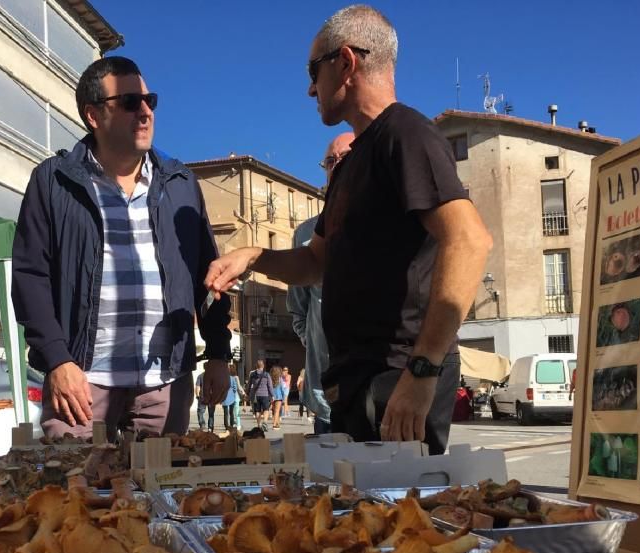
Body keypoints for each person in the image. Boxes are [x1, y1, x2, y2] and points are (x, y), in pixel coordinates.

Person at [205, 5, 492, 454]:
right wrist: (254, 256)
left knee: (399, 519)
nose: (309, 88)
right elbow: (314, 261)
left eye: (313, 70)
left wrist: (421, 372)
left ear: (346, 62)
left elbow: (470, 240)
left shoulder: (405, 134)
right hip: (356, 381)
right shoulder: (350, 166)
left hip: (397, 375)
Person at [12, 57, 231, 441]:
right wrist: (57, 360)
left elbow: (207, 276)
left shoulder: (180, 183)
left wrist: (217, 353)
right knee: (71, 496)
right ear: (93, 115)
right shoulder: (52, 181)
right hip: (80, 384)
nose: (145, 112)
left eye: (150, 101)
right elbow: (31, 278)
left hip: (163, 384)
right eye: (130, 102)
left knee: (162, 492)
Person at [287, 132, 355, 434]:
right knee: (328, 480)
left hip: (384, 391)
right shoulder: (304, 234)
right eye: (331, 161)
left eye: (347, 158)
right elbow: (298, 310)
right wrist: (316, 343)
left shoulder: (391, 221)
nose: (337, 165)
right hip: (327, 397)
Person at [246, 359, 274, 430]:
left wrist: (247, 394)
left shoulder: (252, 374)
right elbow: (270, 386)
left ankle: (259, 425)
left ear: (256, 366)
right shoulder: (266, 374)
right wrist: (272, 395)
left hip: (256, 396)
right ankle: (264, 422)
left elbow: (249, 385)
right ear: (263, 366)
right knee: (266, 409)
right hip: (265, 395)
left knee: (257, 411)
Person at [222, 364, 246, 432]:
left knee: (226, 413)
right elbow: (238, 387)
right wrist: (243, 393)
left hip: (226, 398)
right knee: (234, 412)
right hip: (234, 396)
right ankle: (237, 425)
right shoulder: (235, 377)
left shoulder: (224, 378)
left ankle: (227, 427)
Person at [195, 367, 215, 432]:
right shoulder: (213, 377)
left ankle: (202, 425)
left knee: (200, 412)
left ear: (204, 367)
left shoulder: (200, 376)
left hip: (202, 397)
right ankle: (210, 427)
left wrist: (197, 395)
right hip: (211, 397)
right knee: (211, 413)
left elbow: (197, 387)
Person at [270, 365, 286, 430]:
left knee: (274, 411)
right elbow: (282, 389)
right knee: (277, 411)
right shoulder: (280, 379)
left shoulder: (270, 379)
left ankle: (277, 423)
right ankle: (274, 424)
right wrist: (284, 397)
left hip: (272, 396)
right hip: (279, 397)